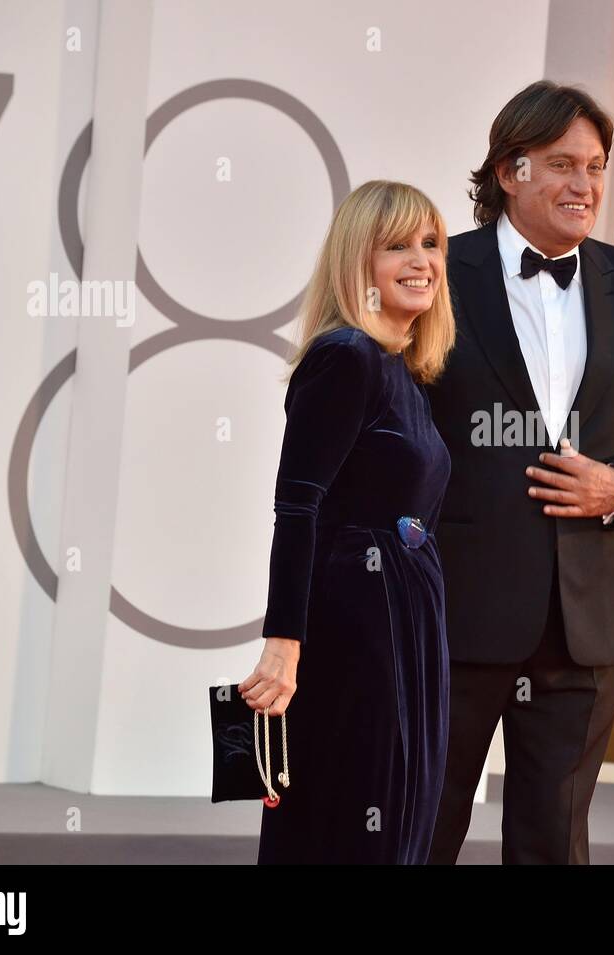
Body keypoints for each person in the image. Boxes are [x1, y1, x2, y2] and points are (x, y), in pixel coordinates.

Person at [426, 81, 614, 864]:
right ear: (510, 171)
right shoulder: (438, 273)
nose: (583, 185)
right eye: (561, 164)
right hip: (457, 611)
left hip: (587, 621)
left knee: (553, 844)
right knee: (421, 829)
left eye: (595, 166)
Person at [240, 180, 457, 863]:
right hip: (360, 630)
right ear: (356, 263)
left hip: (407, 624)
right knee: (355, 818)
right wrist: (284, 640)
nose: (421, 259)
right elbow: (297, 506)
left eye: (431, 243)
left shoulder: (406, 374)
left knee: (393, 819)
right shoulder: (346, 358)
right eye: (397, 245)